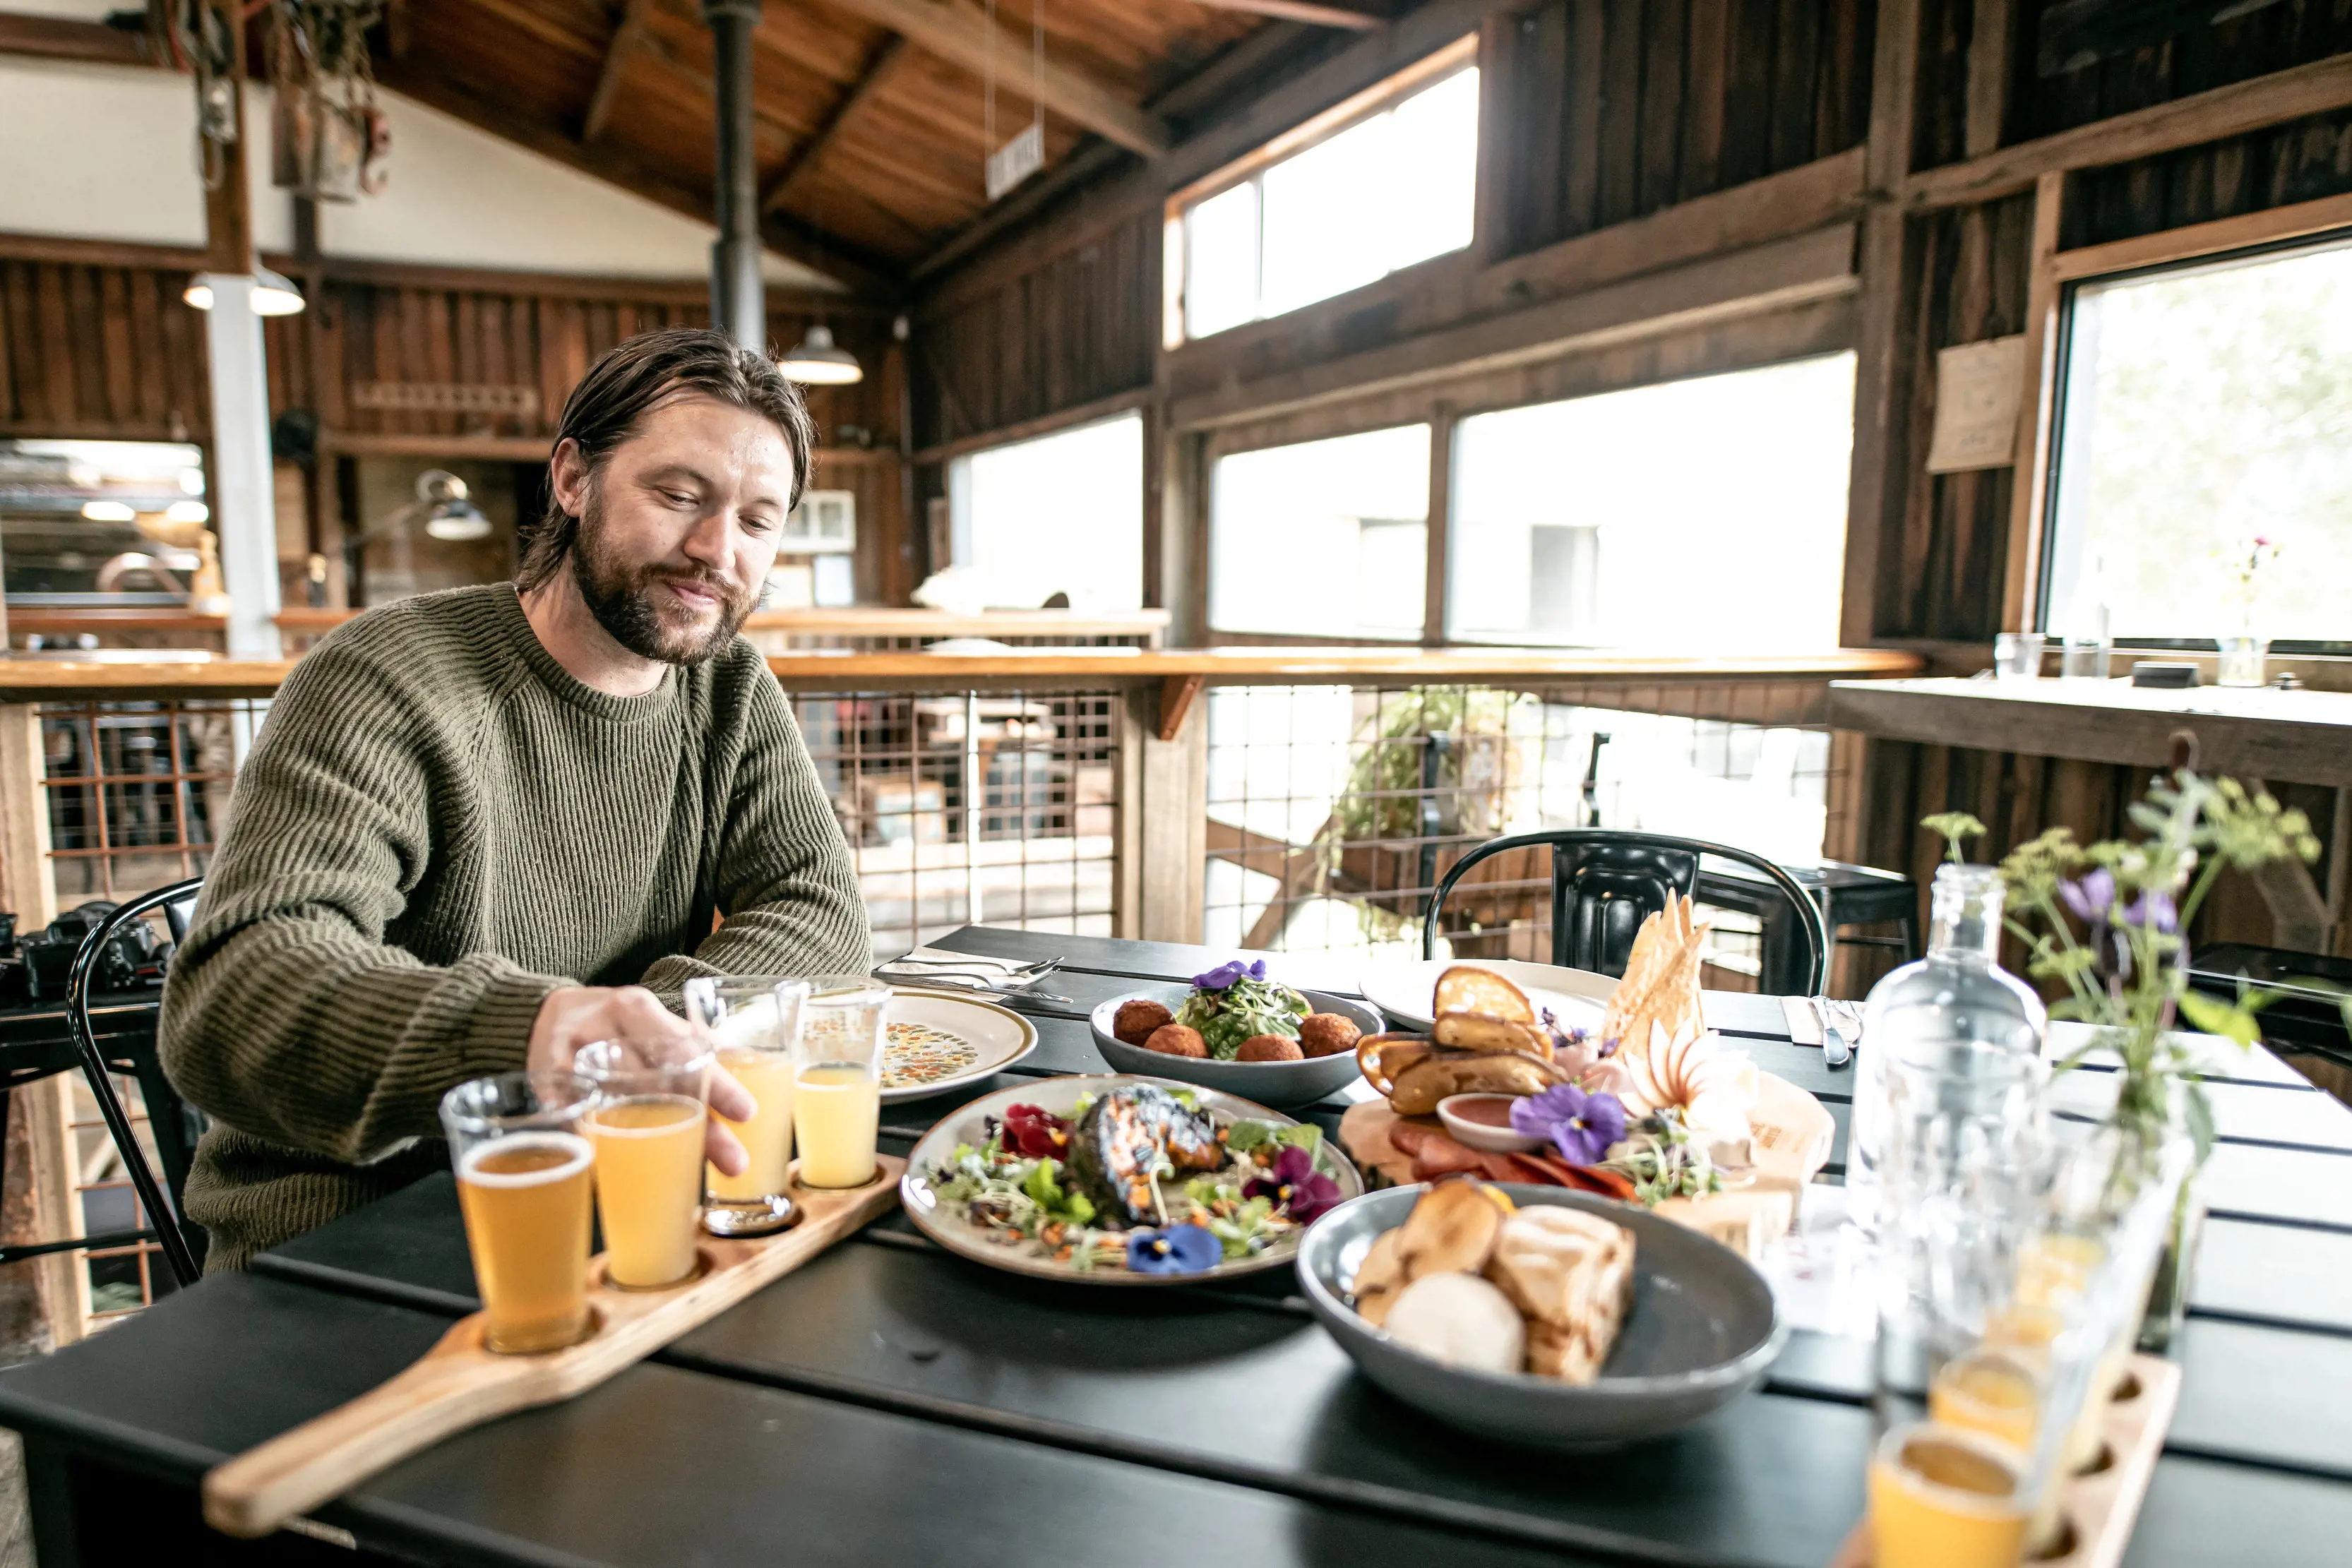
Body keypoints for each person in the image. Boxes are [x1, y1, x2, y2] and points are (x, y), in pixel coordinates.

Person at [160, 328, 871, 1270]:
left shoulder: (728, 685)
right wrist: (540, 1033)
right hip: (351, 1236)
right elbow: (233, 995)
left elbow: (819, 912)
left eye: (755, 519)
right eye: (677, 495)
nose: (714, 550)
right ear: (573, 480)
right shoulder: (385, 677)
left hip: (614, 1198)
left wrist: (636, 1041)